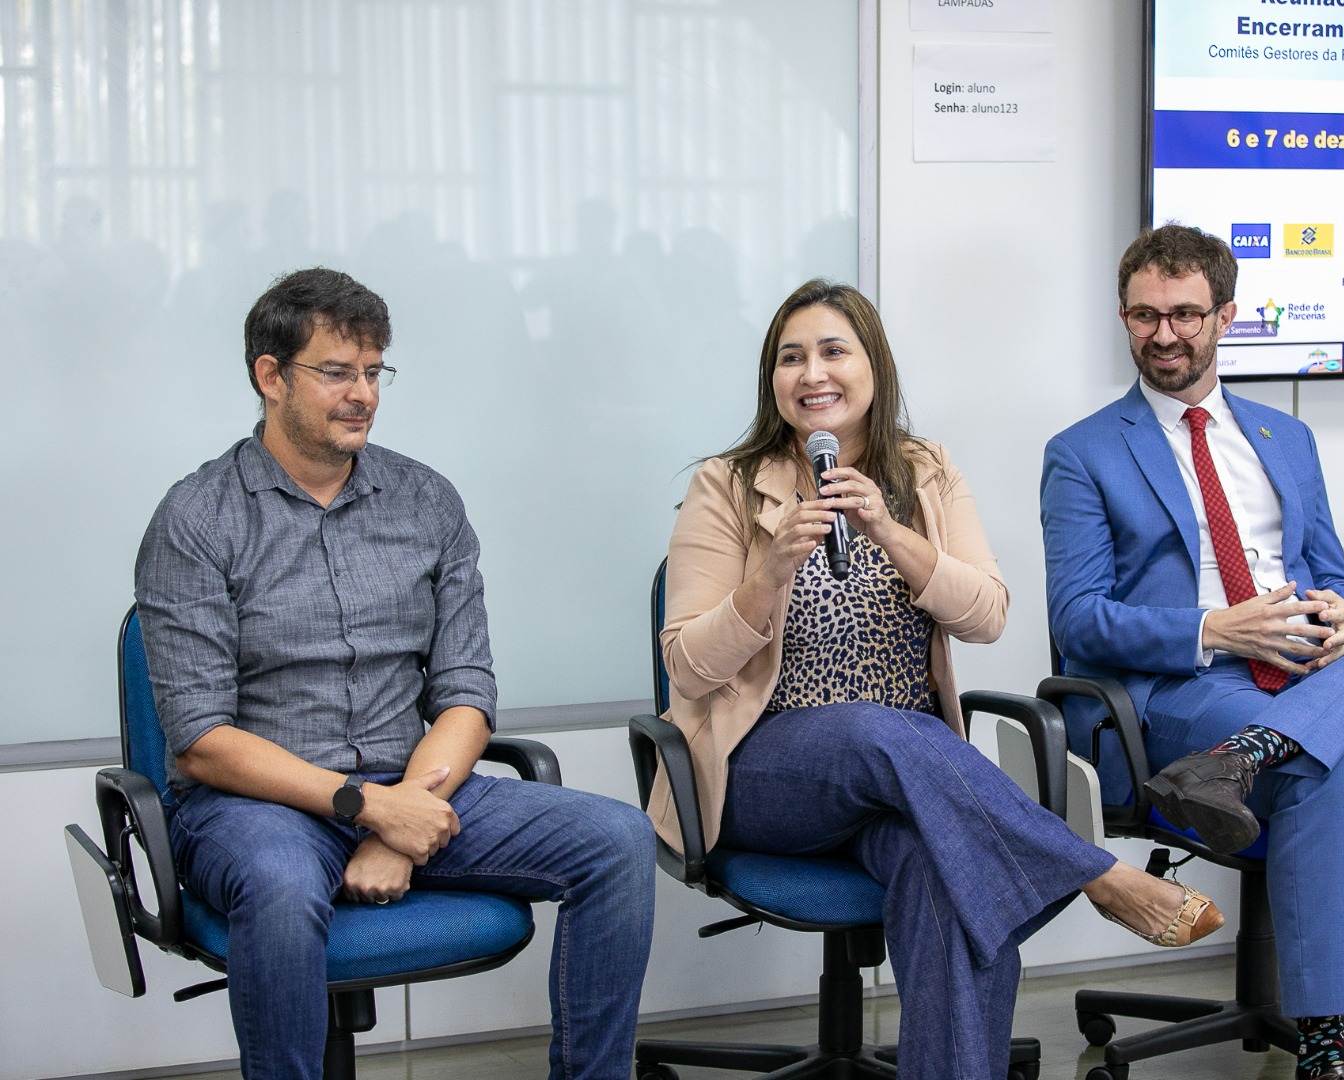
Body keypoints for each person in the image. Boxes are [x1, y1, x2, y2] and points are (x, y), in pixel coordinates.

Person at [649, 278, 1224, 1080]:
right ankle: (1097, 872)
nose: (811, 373)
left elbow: (986, 613)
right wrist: (768, 574)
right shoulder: (728, 483)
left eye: (832, 351)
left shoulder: (927, 473)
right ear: (771, 380)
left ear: (872, 368)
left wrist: (891, 532)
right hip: (767, 774)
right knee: (873, 726)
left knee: (951, 877)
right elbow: (686, 661)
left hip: (908, 781)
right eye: (790, 357)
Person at [135, 268, 655, 1080]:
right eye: (336, 372)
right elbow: (202, 740)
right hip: (257, 805)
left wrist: (401, 819)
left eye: (374, 371)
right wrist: (373, 810)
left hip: (412, 782)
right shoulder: (197, 519)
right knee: (276, 883)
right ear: (270, 376)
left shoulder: (426, 503)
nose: (363, 394)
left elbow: (465, 696)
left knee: (617, 839)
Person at [1040, 226, 1344, 1080]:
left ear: (1226, 316)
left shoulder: (1285, 438)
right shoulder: (1083, 452)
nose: (1165, 335)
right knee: (1320, 766)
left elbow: (1340, 579)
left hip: (1314, 675)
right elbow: (1078, 618)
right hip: (1190, 687)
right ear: (1123, 318)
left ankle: (1253, 754)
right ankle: (1322, 1037)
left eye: (1186, 314)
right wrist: (1216, 628)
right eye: (1144, 315)